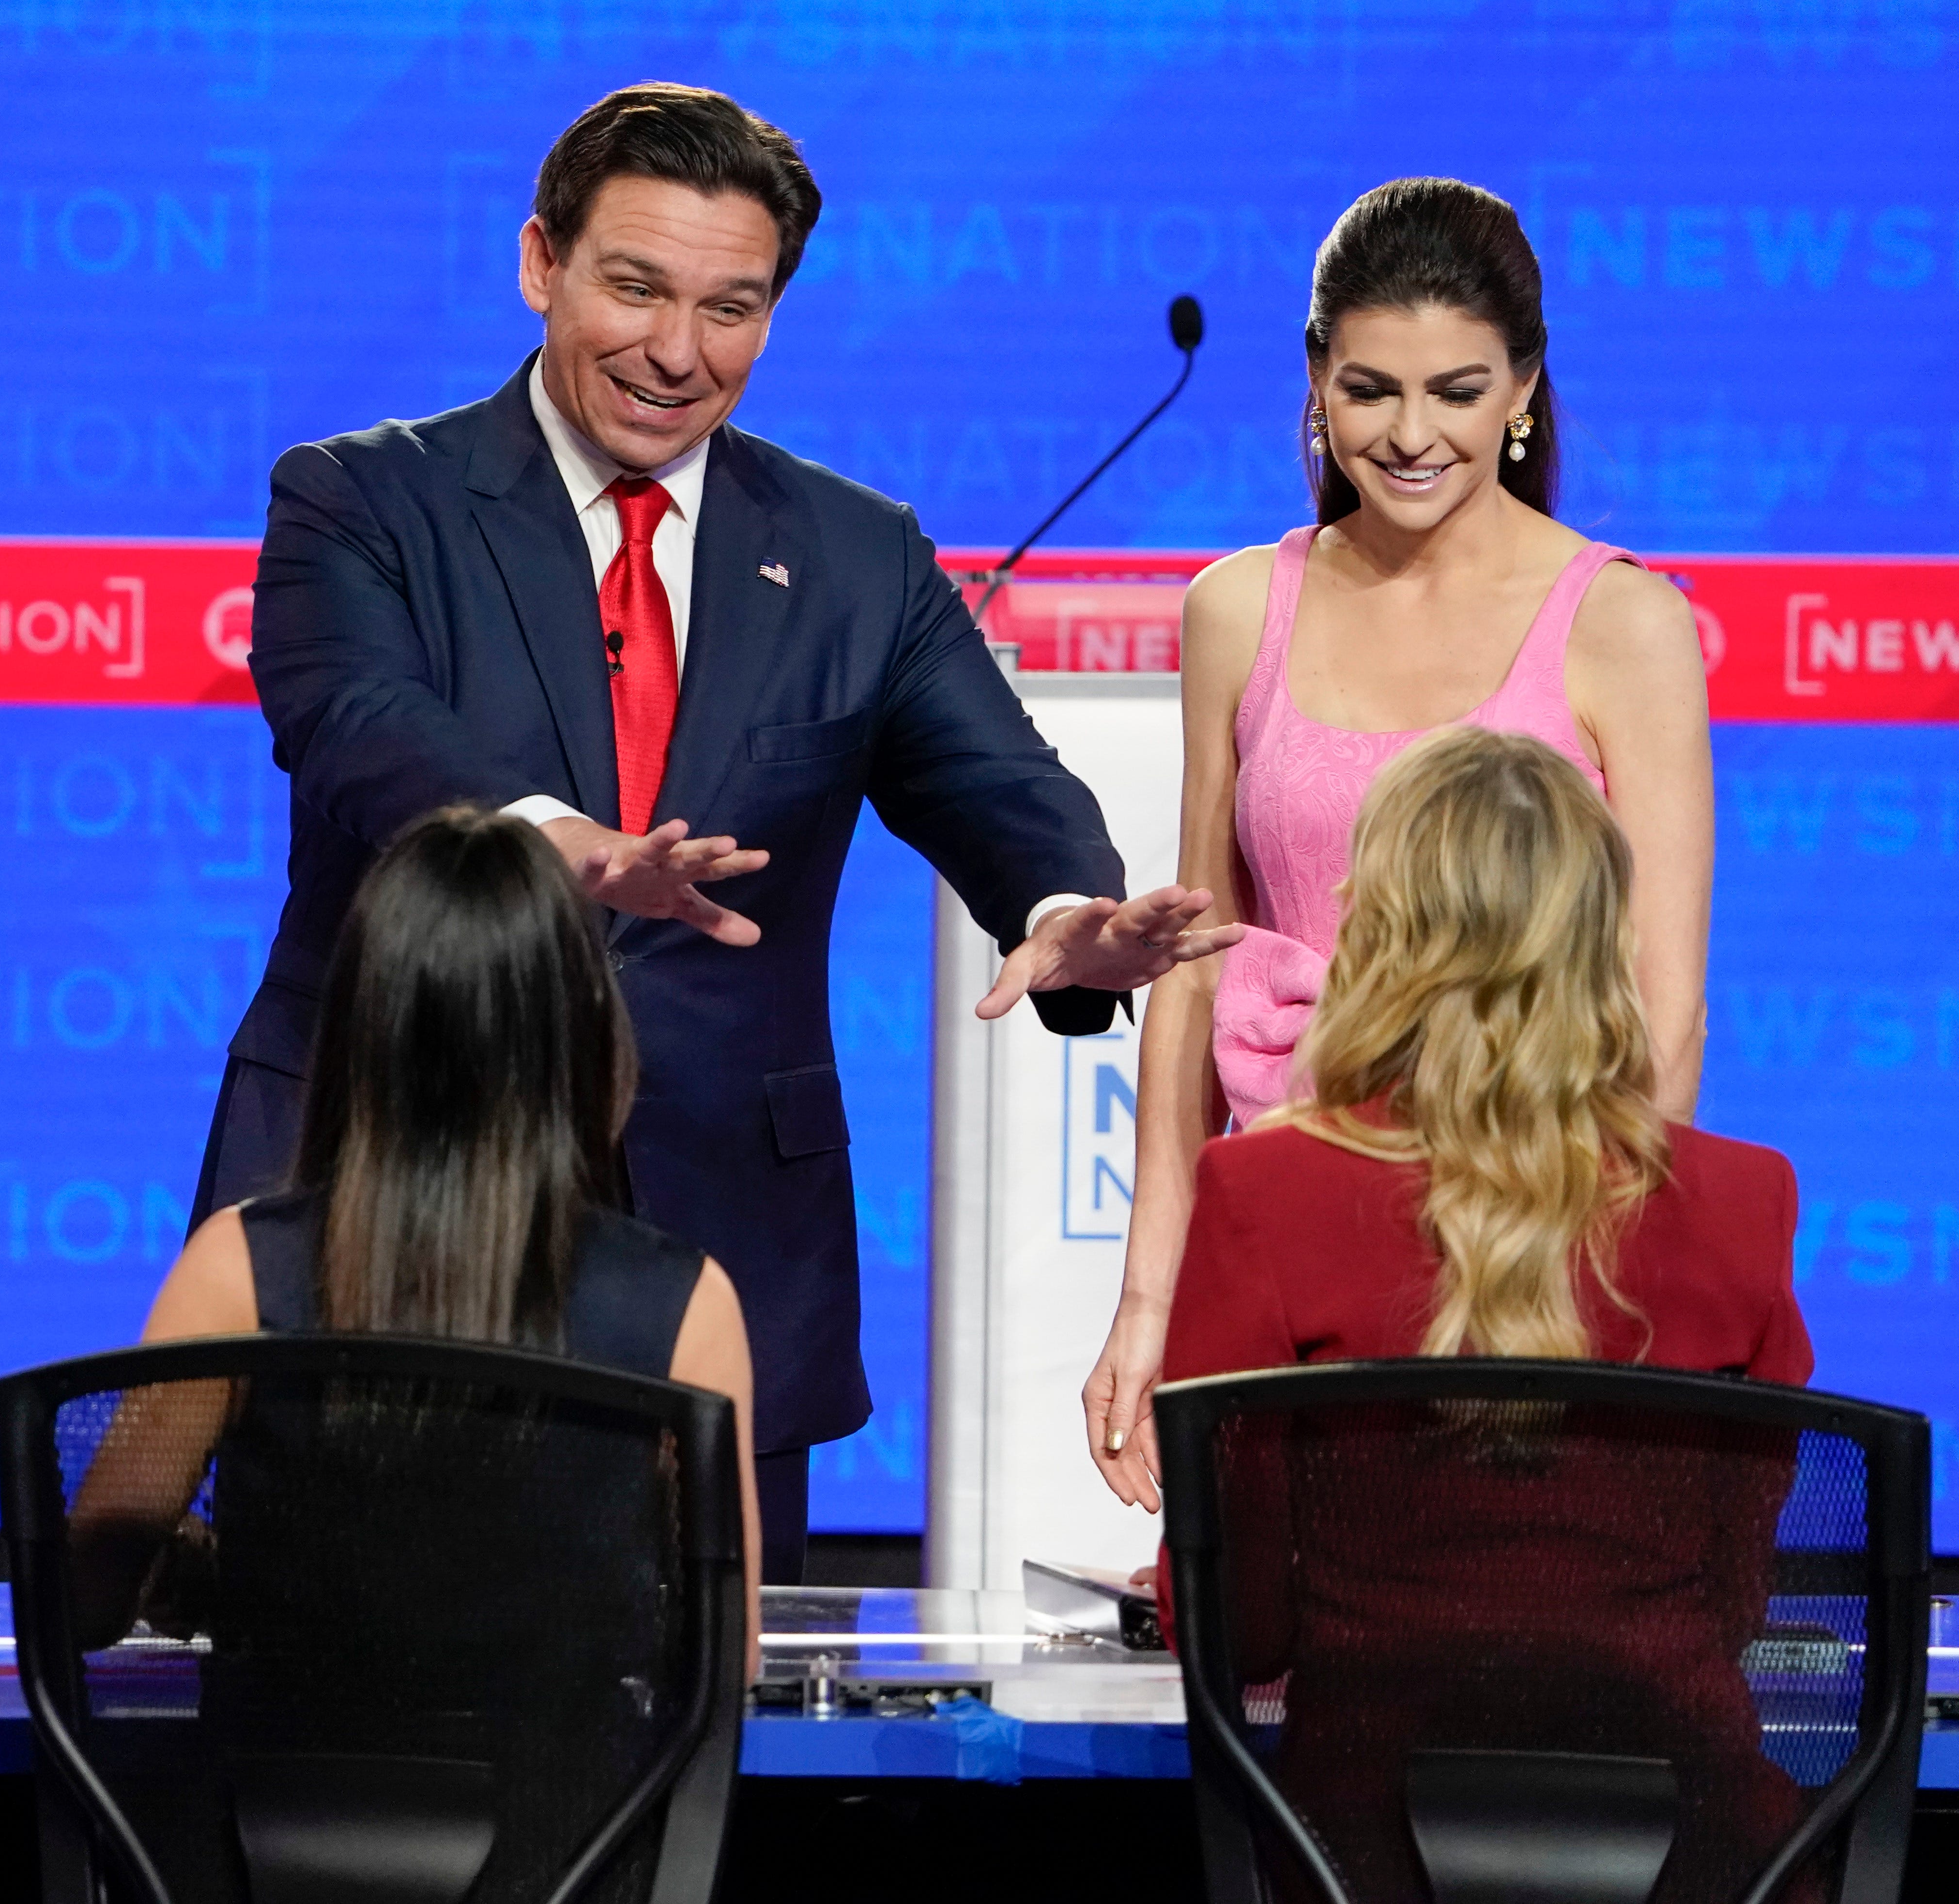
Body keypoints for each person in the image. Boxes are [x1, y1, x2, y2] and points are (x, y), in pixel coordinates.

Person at [191, 82, 1235, 1580]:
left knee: (713, 1732)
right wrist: (561, 842)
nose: (677, 352)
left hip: (719, 1242)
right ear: (539, 261)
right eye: (635, 287)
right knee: (335, 1682)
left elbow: (996, 779)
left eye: (729, 308)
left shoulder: (855, 555)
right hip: (378, 1192)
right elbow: (359, 726)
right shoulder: (364, 500)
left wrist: (1064, 911)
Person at [1087, 176, 1714, 1509]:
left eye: (1457, 391)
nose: (1413, 434)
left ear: (1523, 389)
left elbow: (1664, 1008)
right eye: (1371, 389)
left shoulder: (1624, 621)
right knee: (1272, 1626)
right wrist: (1150, 1293)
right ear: (1316, 382)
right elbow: (1194, 967)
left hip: (1535, 1234)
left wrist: (1598, 1276)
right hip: (1284, 1226)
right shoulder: (1237, 606)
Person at [1154, 726, 1811, 1904]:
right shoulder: (1742, 1198)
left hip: (1356, 1851)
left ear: (1376, 931)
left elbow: (1233, 1621)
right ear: (1605, 937)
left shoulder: (1265, 1189)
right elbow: (1733, 1600)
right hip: (1698, 1856)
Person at [131, 803, 763, 1662]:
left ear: (357, 1023)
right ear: (584, 1028)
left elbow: (95, 1586)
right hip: (584, 1798)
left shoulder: (237, 1266)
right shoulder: (687, 1303)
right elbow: (729, 1645)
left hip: (283, 1793)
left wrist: (216, 1577)